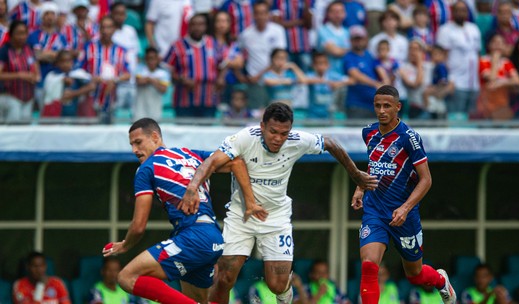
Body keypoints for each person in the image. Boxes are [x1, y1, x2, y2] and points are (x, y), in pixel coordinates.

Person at [180, 102, 378, 304]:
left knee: (277, 283)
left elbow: (330, 143)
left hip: (276, 217)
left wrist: (355, 174)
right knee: (224, 278)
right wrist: (192, 188)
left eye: (284, 133)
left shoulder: (297, 140)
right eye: (273, 131)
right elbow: (212, 161)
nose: (278, 138)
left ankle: (285, 296)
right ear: (262, 126)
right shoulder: (245, 138)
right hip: (241, 216)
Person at [102, 117, 254, 304]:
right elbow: (236, 162)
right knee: (197, 299)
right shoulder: (190, 154)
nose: (134, 150)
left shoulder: (146, 168)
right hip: (214, 237)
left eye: (138, 142)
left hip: (193, 237)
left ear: (155, 136)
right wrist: (251, 201)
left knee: (126, 277)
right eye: (132, 144)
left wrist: (125, 244)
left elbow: (139, 225)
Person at [351, 85, 456, 304]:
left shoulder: (409, 138)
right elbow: (375, 163)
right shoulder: (368, 132)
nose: (381, 110)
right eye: (378, 105)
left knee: (415, 275)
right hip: (375, 211)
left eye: (387, 106)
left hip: (404, 214)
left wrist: (406, 208)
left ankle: (440, 280)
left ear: (398, 107)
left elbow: (426, 179)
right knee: (369, 265)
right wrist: (361, 187)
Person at [165, 13, 222, 118]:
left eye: (201, 24)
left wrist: (220, 78)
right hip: (184, 101)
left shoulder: (213, 44)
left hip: (209, 100)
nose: (197, 28)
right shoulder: (177, 46)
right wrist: (182, 79)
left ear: (205, 27)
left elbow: (223, 64)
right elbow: (168, 70)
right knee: (184, 132)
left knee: (207, 133)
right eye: (194, 24)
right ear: (189, 26)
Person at [77, 15, 130, 123]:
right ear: (99, 29)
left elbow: (127, 74)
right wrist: (91, 78)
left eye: (109, 27)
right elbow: (78, 71)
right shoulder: (88, 47)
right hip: (90, 99)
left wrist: (115, 79)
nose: (106, 31)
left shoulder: (121, 51)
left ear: (114, 29)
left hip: (113, 101)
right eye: (103, 27)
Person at [436, 1, 481, 120]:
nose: (461, 13)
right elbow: (441, 57)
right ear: (452, 12)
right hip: (456, 83)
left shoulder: (473, 28)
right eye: (458, 10)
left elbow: (477, 53)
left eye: (464, 10)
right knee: (456, 119)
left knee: (472, 120)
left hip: (474, 83)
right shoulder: (445, 30)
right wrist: (449, 78)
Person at [238, 0, 286, 109]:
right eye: (257, 13)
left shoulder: (278, 31)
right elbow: (237, 55)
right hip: (255, 83)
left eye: (263, 13)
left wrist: (260, 75)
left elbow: (280, 57)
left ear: (268, 14)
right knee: (256, 115)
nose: (260, 16)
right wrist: (241, 76)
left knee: (277, 114)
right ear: (253, 15)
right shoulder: (246, 34)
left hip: (275, 81)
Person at [0, 20, 40, 122]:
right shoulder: (5, 51)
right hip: (10, 96)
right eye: (19, 33)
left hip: (29, 96)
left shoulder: (29, 49)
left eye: (24, 33)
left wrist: (35, 77)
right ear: (11, 34)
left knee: (26, 127)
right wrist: (19, 75)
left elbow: (36, 69)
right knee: (14, 125)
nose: (22, 37)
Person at [476, 33, 519, 120]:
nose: (498, 45)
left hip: (502, 103)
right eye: (495, 42)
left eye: (501, 43)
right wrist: (495, 61)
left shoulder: (506, 62)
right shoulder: (483, 61)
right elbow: (491, 79)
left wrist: (501, 83)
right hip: (486, 103)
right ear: (489, 45)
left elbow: (517, 80)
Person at [343, 25, 382, 119]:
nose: (358, 42)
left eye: (360, 39)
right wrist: (376, 84)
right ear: (351, 41)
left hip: (372, 105)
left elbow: (379, 70)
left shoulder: (369, 55)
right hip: (356, 104)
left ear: (365, 40)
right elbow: (355, 74)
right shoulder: (349, 56)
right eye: (355, 39)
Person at [42, 50, 95, 117]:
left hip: (75, 114)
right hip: (56, 114)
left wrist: (73, 94)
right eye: (62, 61)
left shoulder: (77, 74)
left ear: (72, 62)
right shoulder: (52, 76)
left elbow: (92, 86)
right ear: (57, 63)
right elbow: (48, 93)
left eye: (68, 61)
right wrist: (61, 81)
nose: (65, 64)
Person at [110, 2, 140, 113]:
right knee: (114, 113)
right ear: (111, 14)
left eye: (122, 14)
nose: (119, 16)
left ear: (125, 16)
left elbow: (136, 55)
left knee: (133, 115)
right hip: (115, 83)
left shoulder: (130, 31)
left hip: (131, 82)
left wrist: (135, 74)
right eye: (116, 13)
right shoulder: (108, 32)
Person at [306, 51, 350, 119]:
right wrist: (323, 81)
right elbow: (302, 80)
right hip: (313, 114)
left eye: (323, 63)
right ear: (313, 65)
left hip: (329, 114)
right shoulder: (310, 75)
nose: (320, 66)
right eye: (318, 63)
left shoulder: (333, 76)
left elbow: (351, 81)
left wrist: (337, 84)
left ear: (328, 65)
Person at [134, 47, 169, 121]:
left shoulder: (163, 73)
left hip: (155, 111)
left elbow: (164, 89)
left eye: (153, 58)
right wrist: (155, 81)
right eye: (148, 58)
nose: (151, 61)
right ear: (145, 59)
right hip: (140, 111)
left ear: (157, 59)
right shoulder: (139, 69)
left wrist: (149, 80)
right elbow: (139, 81)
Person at [316, 1, 350, 76]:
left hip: (346, 75)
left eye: (340, 11)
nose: (338, 14)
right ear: (328, 14)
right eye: (334, 11)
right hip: (329, 76)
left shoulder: (347, 31)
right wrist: (350, 50)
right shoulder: (323, 30)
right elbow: (335, 52)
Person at [422, 45, 453, 119]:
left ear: (443, 56)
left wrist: (438, 89)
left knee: (438, 113)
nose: (436, 57)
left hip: (439, 94)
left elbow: (443, 81)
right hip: (434, 95)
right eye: (434, 54)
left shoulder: (441, 66)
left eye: (438, 54)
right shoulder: (434, 66)